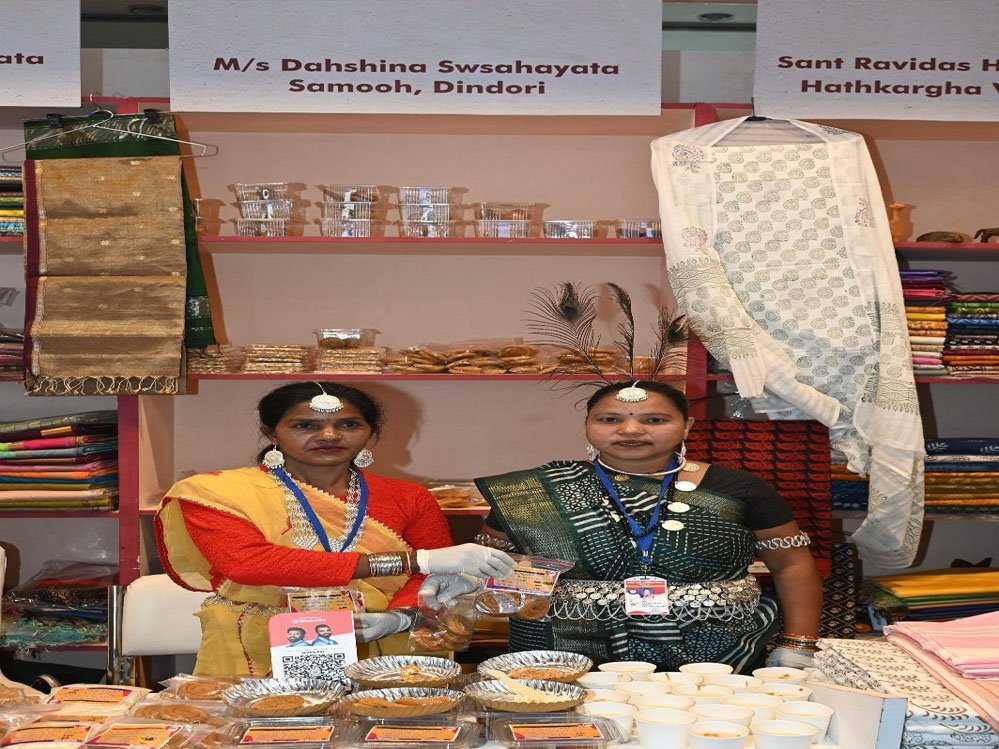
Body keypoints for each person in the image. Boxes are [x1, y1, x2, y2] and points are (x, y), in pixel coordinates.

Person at [423, 380, 822, 673]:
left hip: (715, 652)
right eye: (610, 419)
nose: (631, 430)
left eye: (655, 419)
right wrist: (461, 589)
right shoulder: (534, 492)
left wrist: (798, 644)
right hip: (565, 649)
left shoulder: (738, 487)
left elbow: (791, 565)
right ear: (588, 424)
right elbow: (494, 562)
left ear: (686, 426)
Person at [156, 381, 515, 675]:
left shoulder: (409, 497)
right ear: (271, 432)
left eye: (349, 425)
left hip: (381, 644)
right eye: (305, 426)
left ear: (370, 433)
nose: (329, 435)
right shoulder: (217, 492)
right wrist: (413, 560)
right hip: (260, 641)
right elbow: (247, 563)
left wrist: (399, 617)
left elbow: (433, 576)